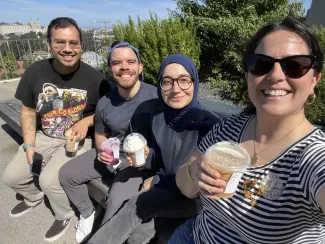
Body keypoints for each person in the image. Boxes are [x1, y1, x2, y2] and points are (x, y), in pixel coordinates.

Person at [169, 17, 325, 244]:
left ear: (314, 81)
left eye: (295, 65)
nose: (276, 75)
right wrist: (194, 171)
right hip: (192, 236)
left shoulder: (312, 156)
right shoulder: (227, 129)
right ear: (248, 77)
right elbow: (184, 187)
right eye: (261, 64)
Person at [87, 54, 219, 244]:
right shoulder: (159, 117)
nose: (175, 89)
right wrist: (146, 159)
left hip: (194, 198)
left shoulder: (209, 126)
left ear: (194, 82)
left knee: (137, 204)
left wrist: (156, 180)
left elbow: (201, 182)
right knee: (137, 235)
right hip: (166, 190)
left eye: (184, 80)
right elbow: (161, 158)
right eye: (167, 81)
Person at [2, 17, 110, 242]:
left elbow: (106, 112)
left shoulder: (95, 79)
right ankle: (33, 198)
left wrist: (84, 122)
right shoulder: (36, 72)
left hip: (78, 139)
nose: (68, 49)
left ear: (81, 45)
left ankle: (64, 214)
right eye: (60, 42)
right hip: (45, 135)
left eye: (74, 43)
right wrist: (29, 145)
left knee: (50, 179)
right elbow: (29, 111)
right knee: (11, 177)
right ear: (49, 45)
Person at [59, 41, 157, 243]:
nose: (124, 67)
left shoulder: (156, 98)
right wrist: (103, 148)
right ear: (110, 68)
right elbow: (101, 134)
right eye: (116, 62)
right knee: (67, 174)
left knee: (115, 203)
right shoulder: (105, 102)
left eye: (131, 61)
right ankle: (87, 213)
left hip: (139, 165)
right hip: (112, 156)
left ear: (140, 67)